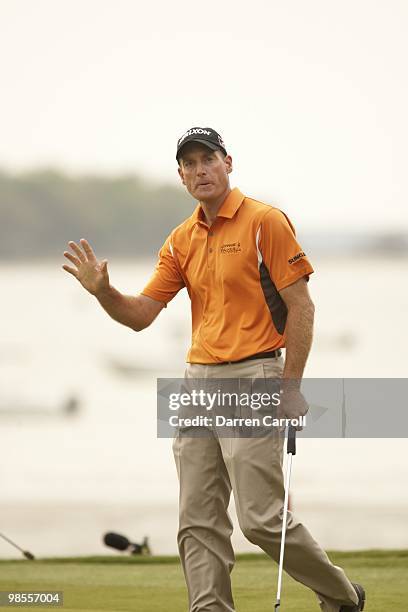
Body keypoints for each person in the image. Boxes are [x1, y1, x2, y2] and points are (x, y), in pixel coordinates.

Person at [62, 126, 365, 612]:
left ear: (228, 162)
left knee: (261, 519)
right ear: (180, 176)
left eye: (208, 159)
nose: (200, 170)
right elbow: (141, 315)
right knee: (197, 520)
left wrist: (292, 388)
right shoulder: (181, 238)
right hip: (196, 382)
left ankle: (344, 596)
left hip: (255, 376)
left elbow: (302, 308)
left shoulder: (265, 221)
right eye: (190, 163)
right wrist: (104, 293)